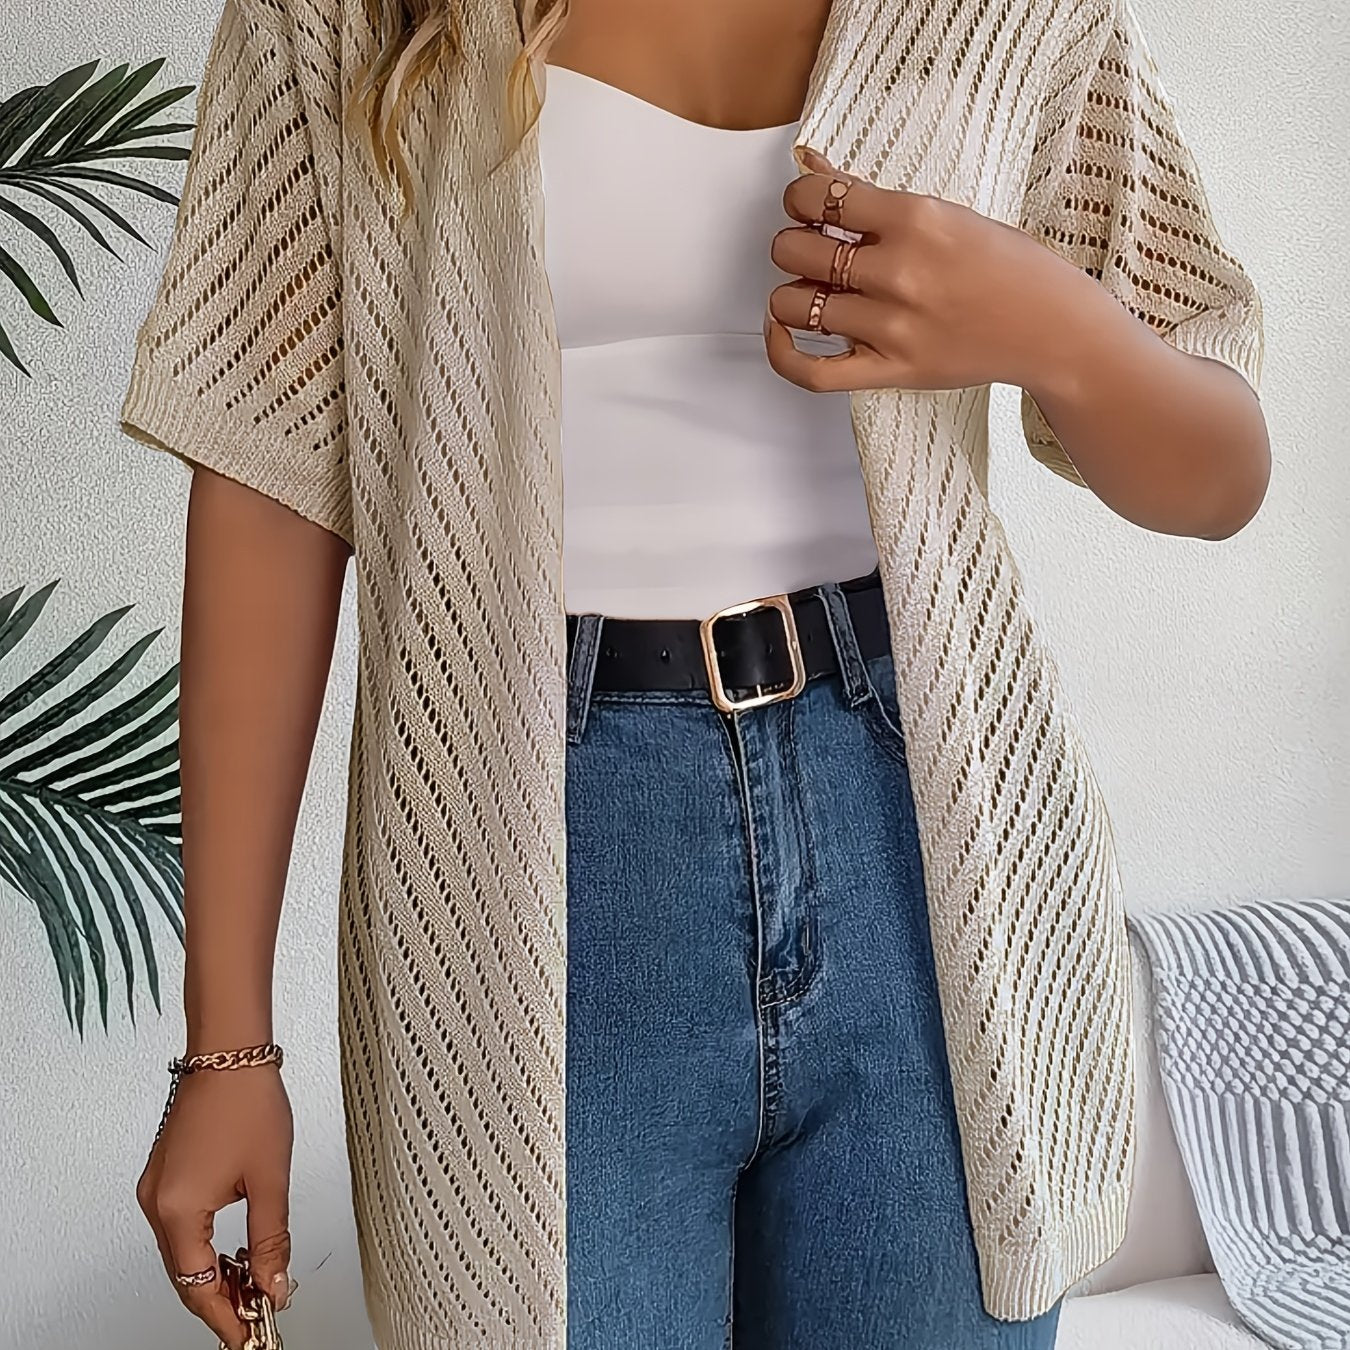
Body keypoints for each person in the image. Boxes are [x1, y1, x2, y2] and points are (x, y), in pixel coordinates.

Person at [120, 1, 1270, 1347]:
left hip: (929, 853)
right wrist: (227, 1041)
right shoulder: (348, 19)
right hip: (524, 864)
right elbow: (266, 479)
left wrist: (1062, 332)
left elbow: (1221, 472)